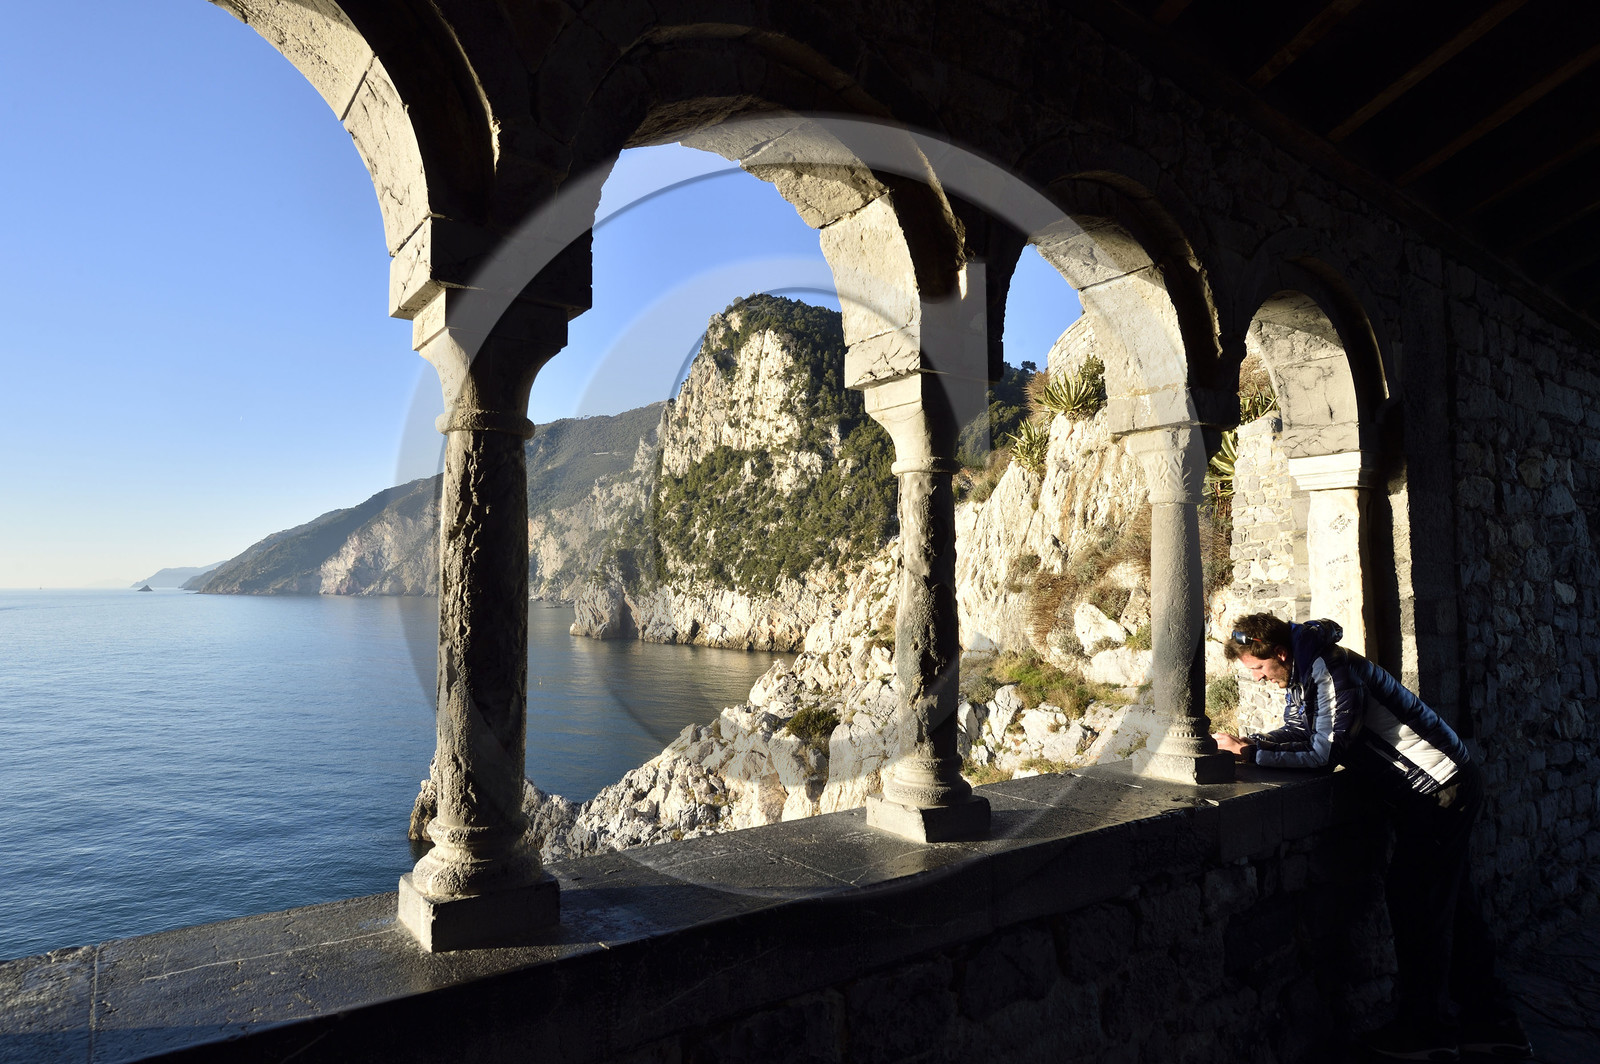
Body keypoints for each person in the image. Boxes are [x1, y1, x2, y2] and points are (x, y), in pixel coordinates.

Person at [1213, 612, 1530, 1062]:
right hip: (1437, 788)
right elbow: (1303, 730)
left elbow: (1324, 752)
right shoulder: (1306, 671)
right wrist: (1249, 744)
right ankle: (1493, 1025)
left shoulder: (1328, 668)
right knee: (1453, 907)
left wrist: (1251, 753)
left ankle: (1429, 1032)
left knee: (1420, 909)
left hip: (1437, 791)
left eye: (1260, 670)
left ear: (1278, 654)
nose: (1262, 680)